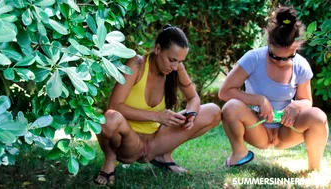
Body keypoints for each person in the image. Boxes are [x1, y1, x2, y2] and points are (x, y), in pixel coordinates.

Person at [94, 24, 222, 185]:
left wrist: (192, 114)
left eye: (180, 61)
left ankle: (162, 156)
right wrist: (157, 116)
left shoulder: (175, 68)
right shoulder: (136, 64)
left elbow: (194, 98)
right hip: (130, 144)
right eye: (172, 60)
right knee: (109, 119)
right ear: (157, 49)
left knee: (213, 111)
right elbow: (115, 106)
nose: (175, 66)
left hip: (155, 143)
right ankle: (110, 160)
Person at [218, 7, 328, 171]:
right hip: (257, 127)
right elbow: (224, 92)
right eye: (275, 56)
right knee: (230, 107)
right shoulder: (253, 58)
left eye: (288, 57)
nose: (282, 62)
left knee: (318, 116)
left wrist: (296, 106)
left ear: (296, 47)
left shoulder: (301, 65)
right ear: (269, 44)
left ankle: (314, 168)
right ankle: (238, 154)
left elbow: (307, 101)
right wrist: (259, 100)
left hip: (286, 130)